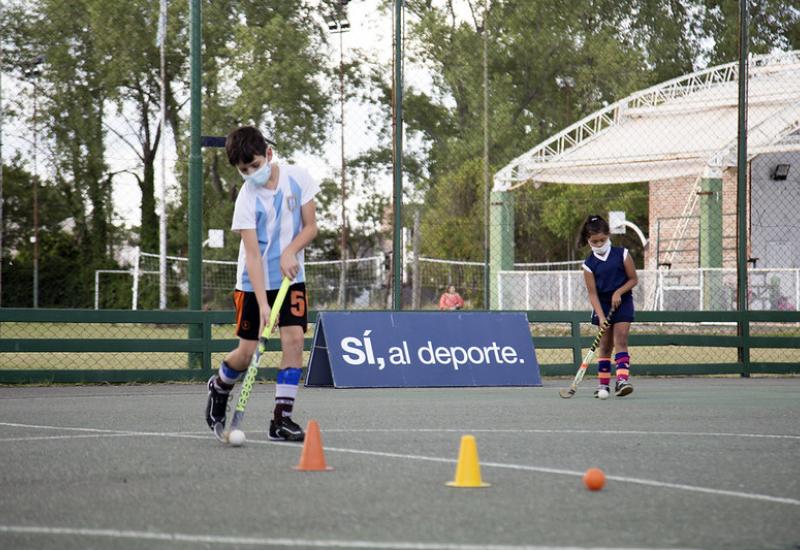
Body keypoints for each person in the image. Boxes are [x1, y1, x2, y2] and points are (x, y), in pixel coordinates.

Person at [205, 126, 319, 441]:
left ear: (268, 155)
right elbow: (253, 257)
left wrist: (290, 251)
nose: (251, 173)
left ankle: (281, 420)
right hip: (252, 282)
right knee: (248, 350)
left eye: (254, 165)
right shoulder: (246, 200)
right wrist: (264, 303)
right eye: (244, 170)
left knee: (294, 341)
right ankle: (220, 386)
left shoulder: (299, 178)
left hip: (291, 276)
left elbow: (311, 227)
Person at [580, 215, 638, 397]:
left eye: (602, 240)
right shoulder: (588, 265)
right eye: (594, 241)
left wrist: (618, 292)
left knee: (621, 339)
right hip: (602, 306)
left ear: (608, 235)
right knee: (604, 345)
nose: (598, 244)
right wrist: (602, 317)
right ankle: (603, 385)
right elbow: (592, 293)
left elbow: (633, 279)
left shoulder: (622, 254)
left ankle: (622, 381)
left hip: (623, 301)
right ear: (588, 240)